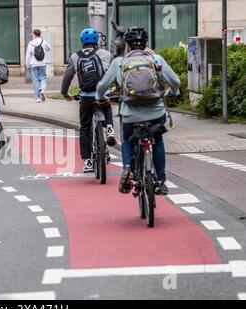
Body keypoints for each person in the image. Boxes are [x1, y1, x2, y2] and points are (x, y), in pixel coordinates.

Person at [96, 27, 181, 195]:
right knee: (157, 141)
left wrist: (101, 98)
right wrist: (171, 92)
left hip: (130, 114)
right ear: (146, 44)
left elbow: (101, 87)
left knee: (127, 139)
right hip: (156, 112)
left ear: (127, 45)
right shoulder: (156, 59)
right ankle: (161, 181)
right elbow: (176, 82)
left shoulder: (119, 63)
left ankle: (128, 168)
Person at [61, 27, 117, 173]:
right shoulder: (106, 54)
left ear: (82, 42)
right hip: (102, 93)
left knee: (85, 128)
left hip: (85, 97)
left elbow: (68, 76)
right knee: (106, 103)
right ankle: (109, 128)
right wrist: (115, 87)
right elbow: (114, 72)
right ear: (97, 40)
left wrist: (65, 92)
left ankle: (87, 162)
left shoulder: (75, 56)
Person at [25, 29, 52, 103]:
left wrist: (28, 65)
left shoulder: (30, 43)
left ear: (34, 34)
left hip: (33, 64)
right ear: (40, 34)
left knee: (35, 80)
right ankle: (42, 89)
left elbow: (28, 56)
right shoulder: (43, 42)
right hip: (42, 63)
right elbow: (49, 48)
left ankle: (37, 98)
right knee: (43, 78)